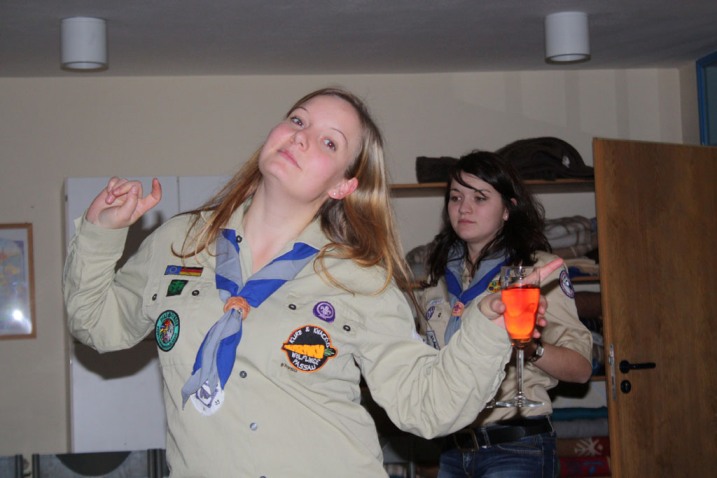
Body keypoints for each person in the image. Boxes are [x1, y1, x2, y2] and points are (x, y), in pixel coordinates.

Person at [63, 87, 561, 477]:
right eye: (298, 120)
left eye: (329, 142)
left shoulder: (360, 278)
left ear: (343, 184)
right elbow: (97, 326)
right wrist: (99, 235)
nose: (301, 136)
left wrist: (488, 329)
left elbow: (426, 408)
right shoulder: (179, 242)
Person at [416, 150, 593, 478]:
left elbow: (581, 370)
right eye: (456, 197)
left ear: (508, 209)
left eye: (480, 197)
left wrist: (530, 348)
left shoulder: (537, 272)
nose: (464, 208)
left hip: (516, 447)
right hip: (453, 449)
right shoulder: (436, 277)